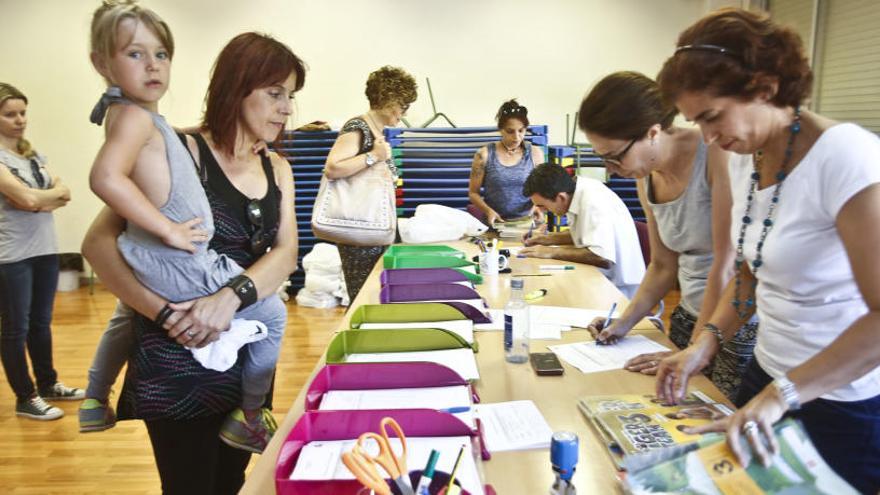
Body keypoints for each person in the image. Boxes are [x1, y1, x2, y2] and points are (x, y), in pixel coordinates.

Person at [653, 8, 880, 492]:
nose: (709, 136)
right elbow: (751, 271)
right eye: (697, 122)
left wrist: (785, 393)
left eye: (712, 117)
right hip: (768, 375)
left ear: (766, 87)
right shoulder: (745, 156)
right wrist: (705, 343)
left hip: (839, 400)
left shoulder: (847, 158)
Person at [82, 20, 303, 492]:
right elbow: (97, 245)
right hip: (176, 355)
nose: (287, 108)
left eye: (290, 95)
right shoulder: (178, 149)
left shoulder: (277, 166)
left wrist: (230, 298)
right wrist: (164, 313)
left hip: (246, 347)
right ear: (237, 89)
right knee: (188, 482)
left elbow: (286, 255)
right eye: (275, 93)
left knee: (231, 477)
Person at [577, 71, 757, 401]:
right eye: (603, 159)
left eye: (616, 156)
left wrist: (697, 349)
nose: (612, 169)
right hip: (689, 315)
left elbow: (726, 264)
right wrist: (623, 323)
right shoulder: (645, 176)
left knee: (709, 420)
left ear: (652, 133)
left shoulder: (715, 154)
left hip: (729, 328)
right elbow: (662, 266)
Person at [0, 83, 83, 421]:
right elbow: (35, 198)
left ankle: (48, 384)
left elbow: (63, 193)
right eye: (10, 114)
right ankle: (25, 397)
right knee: (14, 328)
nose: (20, 120)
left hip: (45, 249)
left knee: (41, 324)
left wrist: (38, 199)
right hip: (11, 255)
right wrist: (39, 198)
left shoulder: (31, 155)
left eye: (22, 113)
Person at [324, 65, 417, 302]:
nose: (404, 112)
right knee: (363, 297)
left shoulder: (377, 132)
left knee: (377, 295)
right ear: (388, 99)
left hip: (375, 228)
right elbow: (333, 168)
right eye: (403, 105)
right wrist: (374, 156)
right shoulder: (358, 128)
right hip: (360, 233)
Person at [520, 163, 645, 298]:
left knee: (554, 296)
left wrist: (550, 252)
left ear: (561, 197)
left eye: (543, 206)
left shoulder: (592, 203)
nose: (543, 211)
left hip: (619, 289)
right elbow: (585, 234)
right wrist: (547, 239)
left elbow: (602, 257)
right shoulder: (576, 191)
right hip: (601, 278)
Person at [468, 99, 545, 226]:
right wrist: (488, 211)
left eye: (521, 131)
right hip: (495, 223)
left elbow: (542, 190)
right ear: (501, 129)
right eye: (510, 131)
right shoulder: (484, 155)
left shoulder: (535, 154)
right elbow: (473, 193)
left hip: (527, 224)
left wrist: (539, 207)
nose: (516, 137)